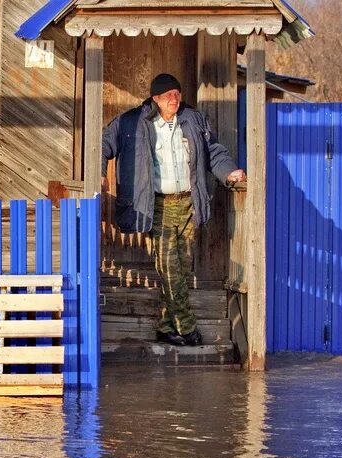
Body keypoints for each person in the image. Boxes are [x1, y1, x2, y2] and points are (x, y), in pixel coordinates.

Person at [102, 73, 246, 347]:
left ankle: (166, 328)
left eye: (177, 93)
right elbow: (103, 144)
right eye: (168, 95)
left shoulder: (192, 120)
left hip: (188, 204)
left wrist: (230, 173)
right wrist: (98, 173)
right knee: (169, 267)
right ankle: (187, 326)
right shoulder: (133, 122)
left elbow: (213, 152)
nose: (174, 99)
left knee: (180, 267)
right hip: (157, 205)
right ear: (155, 98)